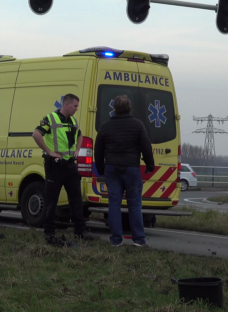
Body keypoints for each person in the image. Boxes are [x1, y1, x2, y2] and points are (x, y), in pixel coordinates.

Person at [32, 93, 96, 246]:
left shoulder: (73, 120)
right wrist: (49, 152)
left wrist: (77, 150)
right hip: (55, 165)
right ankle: (49, 232)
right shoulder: (50, 118)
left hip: (70, 166)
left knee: (76, 199)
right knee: (51, 201)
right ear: (66, 104)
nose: (76, 109)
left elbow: (80, 135)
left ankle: (80, 231)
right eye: (75, 106)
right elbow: (36, 134)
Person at [95, 95, 155, 247]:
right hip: (132, 169)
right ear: (130, 108)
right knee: (134, 204)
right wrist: (150, 166)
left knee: (114, 204)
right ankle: (139, 240)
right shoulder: (138, 125)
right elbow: (146, 147)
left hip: (112, 169)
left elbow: (98, 151)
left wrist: (101, 169)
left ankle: (116, 240)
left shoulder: (105, 126)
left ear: (114, 108)